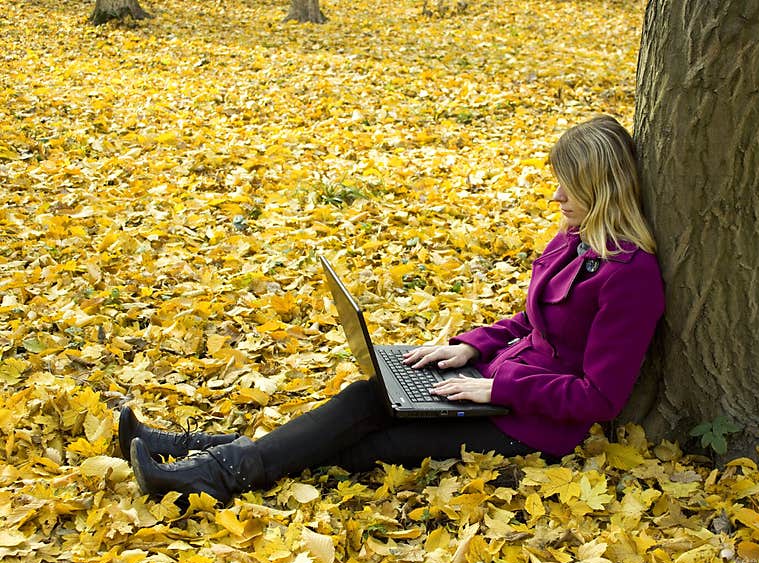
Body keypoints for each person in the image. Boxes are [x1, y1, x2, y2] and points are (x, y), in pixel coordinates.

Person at [119, 113, 666, 506]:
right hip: (487, 391)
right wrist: (469, 346)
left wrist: (497, 391)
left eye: (566, 187)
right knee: (368, 395)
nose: (555, 199)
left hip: (530, 426)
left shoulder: (630, 276)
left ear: (600, 186)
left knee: (360, 436)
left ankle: (201, 465)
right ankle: (195, 461)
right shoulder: (573, 239)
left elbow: (601, 397)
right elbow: (532, 321)